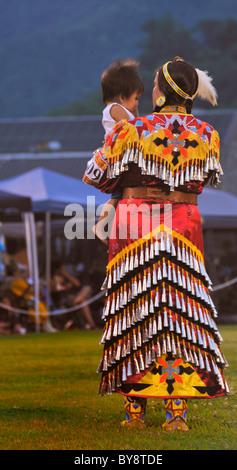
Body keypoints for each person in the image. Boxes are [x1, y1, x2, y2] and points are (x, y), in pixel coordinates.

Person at [83, 57, 229, 431]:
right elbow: (203, 179)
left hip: (136, 224)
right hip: (184, 226)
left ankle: (134, 413)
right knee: (179, 315)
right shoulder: (207, 135)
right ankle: (175, 414)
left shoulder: (132, 130)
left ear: (162, 92)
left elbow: (96, 173)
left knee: (134, 312)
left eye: (153, 86)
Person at [83, 60, 144, 245]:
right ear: (122, 94)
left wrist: (135, 109)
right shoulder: (114, 109)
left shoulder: (122, 109)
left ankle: (107, 225)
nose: (136, 102)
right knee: (117, 195)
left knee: (120, 195)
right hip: (118, 160)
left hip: (124, 158)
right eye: (136, 98)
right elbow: (134, 128)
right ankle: (101, 226)